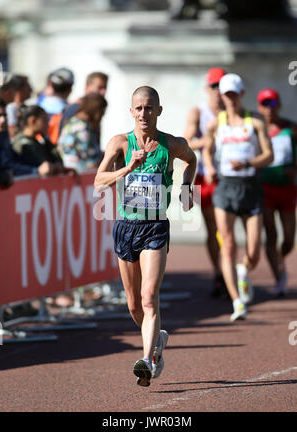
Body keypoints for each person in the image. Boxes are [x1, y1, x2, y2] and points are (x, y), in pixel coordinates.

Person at [94, 86, 196, 386]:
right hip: (126, 226)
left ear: (159, 111)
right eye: (138, 108)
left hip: (154, 226)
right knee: (134, 305)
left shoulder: (172, 144)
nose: (143, 113)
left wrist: (187, 189)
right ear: (131, 112)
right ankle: (157, 343)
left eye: (149, 108)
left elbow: (192, 160)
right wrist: (128, 167)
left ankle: (148, 361)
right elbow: (99, 181)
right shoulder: (119, 143)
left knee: (149, 298)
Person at [203, 73, 273, 321]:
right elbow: (208, 151)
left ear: (241, 94)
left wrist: (247, 162)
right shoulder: (215, 124)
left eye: (234, 94)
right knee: (228, 245)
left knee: (254, 250)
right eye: (226, 94)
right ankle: (237, 302)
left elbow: (269, 155)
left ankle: (244, 269)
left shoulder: (254, 121)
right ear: (221, 96)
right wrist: (210, 167)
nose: (230, 99)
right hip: (226, 188)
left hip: (251, 187)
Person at [184, 67, 227, 298]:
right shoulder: (198, 112)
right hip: (204, 176)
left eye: (221, 85)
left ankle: (230, 271)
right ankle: (219, 273)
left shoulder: (236, 110)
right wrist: (209, 139)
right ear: (207, 88)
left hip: (231, 177)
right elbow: (186, 142)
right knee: (213, 227)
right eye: (214, 86)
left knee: (226, 230)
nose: (218, 91)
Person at [257, 88, 297, 297]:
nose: (269, 109)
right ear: (259, 107)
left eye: (272, 104)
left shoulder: (290, 128)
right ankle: (279, 279)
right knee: (270, 234)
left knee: (289, 237)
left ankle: (281, 256)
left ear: (279, 105)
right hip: (265, 188)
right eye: (264, 104)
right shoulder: (256, 129)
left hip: (287, 188)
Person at [58, 93, 107, 173]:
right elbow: (90, 156)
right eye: (103, 110)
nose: (103, 115)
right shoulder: (82, 127)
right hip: (79, 170)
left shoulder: (71, 121)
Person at [12, 105, 66, 176]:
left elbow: (56, 159)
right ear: (32, 120)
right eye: (44, 120)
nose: (48, 124)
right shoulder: (23, 144)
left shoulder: (40, 141)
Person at [6, 75, 33, 140]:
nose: (31, 89)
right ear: (18, 89)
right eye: (27, 86)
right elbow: (12, 132)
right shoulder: (11, 108)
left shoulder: (24, 107)